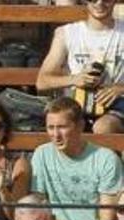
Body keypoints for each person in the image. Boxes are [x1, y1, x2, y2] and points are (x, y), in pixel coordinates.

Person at [30, 97, 122, 220]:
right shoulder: (41, 154)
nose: (55, 134)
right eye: (50, 127)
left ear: (80, 126)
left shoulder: (106, 159)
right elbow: (41, 206)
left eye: (62, 127)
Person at [36, 0, 124, 134]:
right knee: (62, 124)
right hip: (77, 105)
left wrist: (120, 88)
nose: (99, 3)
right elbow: (42, 81)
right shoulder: (67, 33)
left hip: (116, 106)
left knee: (104, 127)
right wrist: (75, 79)